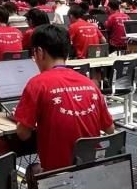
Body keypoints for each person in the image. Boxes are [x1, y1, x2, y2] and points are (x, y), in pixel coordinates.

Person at [13, 25, 114, 172]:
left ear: (39, 52)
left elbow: (23, 134)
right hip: (92, 171)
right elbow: (110, 129)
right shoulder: (90, 84)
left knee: (31, 170)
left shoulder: (37, 84)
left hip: (57, 176)